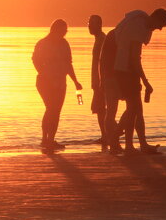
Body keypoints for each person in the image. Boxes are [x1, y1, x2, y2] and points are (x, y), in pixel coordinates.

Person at [101, 8, 166, 154]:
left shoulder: (139, 24)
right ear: (156, 18)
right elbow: (134, 57)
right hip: (125, 70)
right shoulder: (138, 26)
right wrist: (145, 81)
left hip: (126, 70)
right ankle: (119, 138)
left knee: (135, 109)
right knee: (133, 108)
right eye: (161, 24)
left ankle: (132, 144)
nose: (160, 28)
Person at [32, 18, 81, 153]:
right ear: (55, 29)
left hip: (60, 82)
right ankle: (46, 139)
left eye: (66, 30)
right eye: (63, 30)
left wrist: (75, 81)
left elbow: (68, 64)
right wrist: (44, 72)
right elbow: (35, 60)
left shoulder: (64, 44)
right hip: (44, 82)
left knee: (55, 110)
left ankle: (50, 139)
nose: (65, 32)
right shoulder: (43, 43)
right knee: (51, 109)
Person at [87, 15, 109, 151]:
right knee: (99, 109)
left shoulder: (102, 40)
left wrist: (101, 81)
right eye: (88, 23)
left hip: (101, 81)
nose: (89, 26)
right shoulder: (98, 39)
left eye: (91, 24)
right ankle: (105, 135)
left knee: (101, 109)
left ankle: (111, 133)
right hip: (97, 81)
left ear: (98, 25)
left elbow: (104, 62)